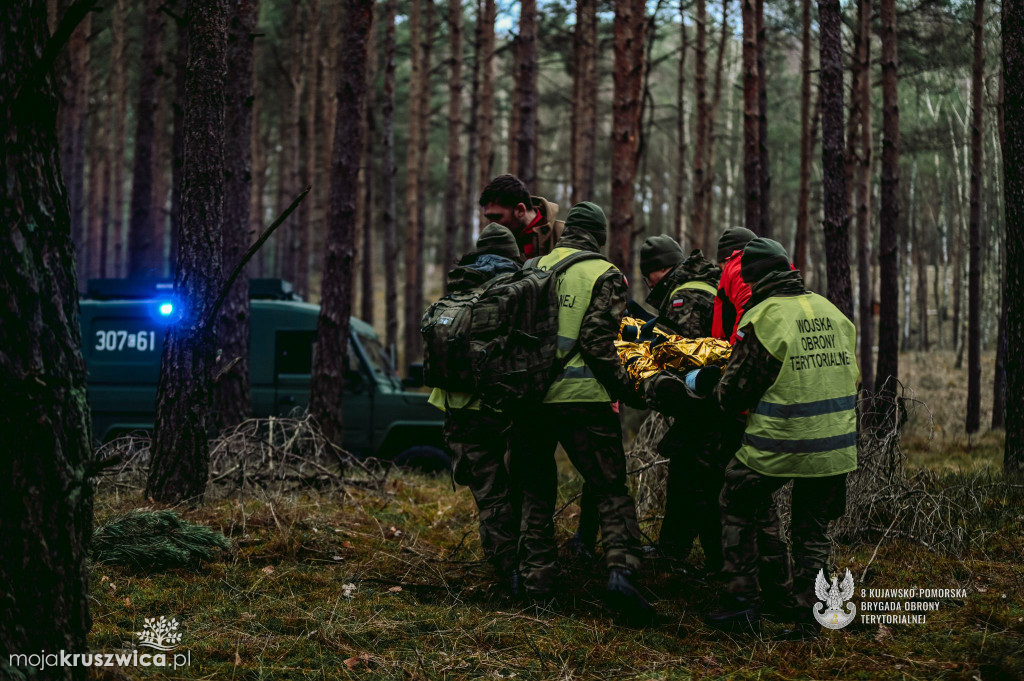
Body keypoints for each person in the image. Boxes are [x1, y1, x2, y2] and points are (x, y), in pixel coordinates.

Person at [695, 238, 859, 632]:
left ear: (752, 281)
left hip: (782, 443)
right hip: (836, 446)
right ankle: (809, 611)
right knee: (812, 527)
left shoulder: (764, 317)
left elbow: (734, 393)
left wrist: (705, 382)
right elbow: (851, 376)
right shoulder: (832, 312)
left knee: (736, 497)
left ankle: (741, 601)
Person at [507, 201, 655, 623]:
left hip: (532, 400)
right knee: (610, 488)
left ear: (568, 230)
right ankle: (621, 574)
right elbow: (596, 341)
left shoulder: (533, 267)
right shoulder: (604, 274)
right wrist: (630, 388)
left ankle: (536, 586)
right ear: (599, 236)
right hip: (585, 401)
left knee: (535, 491)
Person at [428, 224, 524, 596]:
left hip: (456, 405)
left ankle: (505, 567)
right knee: (524, 484)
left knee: (489, 490)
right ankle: (525, 567)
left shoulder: (462, 282)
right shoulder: (519, 285)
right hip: (506, 402)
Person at [635, 236, 725, 573]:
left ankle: (720, 566)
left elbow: (684, 355)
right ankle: (673, 552)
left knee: (701, 485)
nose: (649, 283)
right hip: (715, 402)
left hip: (702, 406)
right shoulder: (706, 282)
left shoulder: (684, 294)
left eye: (650, 275)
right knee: (686, 477)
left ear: (662, 268)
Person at [478, 174, 564, 259]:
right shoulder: (494, 243)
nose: (490, 225)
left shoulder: (564, 235)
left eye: (496, 217)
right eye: (488, 218)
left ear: (520, 210)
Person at [712, 227, 758, 345]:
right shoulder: (770, 264)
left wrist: (733, 356)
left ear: (726, 260)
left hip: (740, 353)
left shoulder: (738, 268)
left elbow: (746, 312)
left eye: (721, 266)